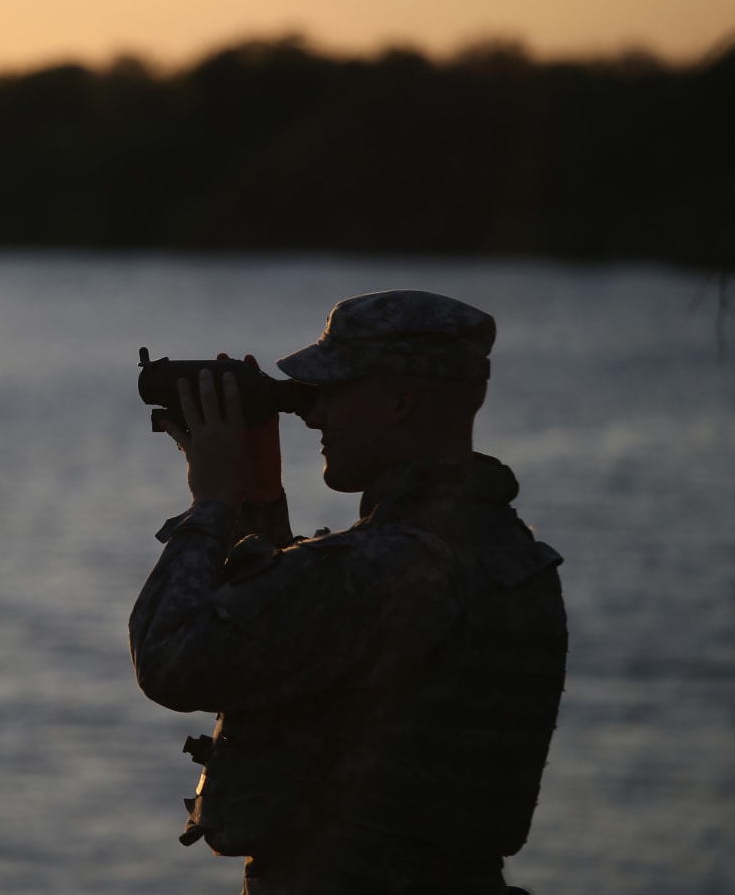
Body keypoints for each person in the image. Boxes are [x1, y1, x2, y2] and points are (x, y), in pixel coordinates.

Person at [128, 290, 567, 895]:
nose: (311, 413)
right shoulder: (509, 556)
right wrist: (258, 500)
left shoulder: (389, 565)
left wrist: (212, 504)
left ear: (398, 402)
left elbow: (170, 656)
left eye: (332, 389)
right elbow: (291, 646)